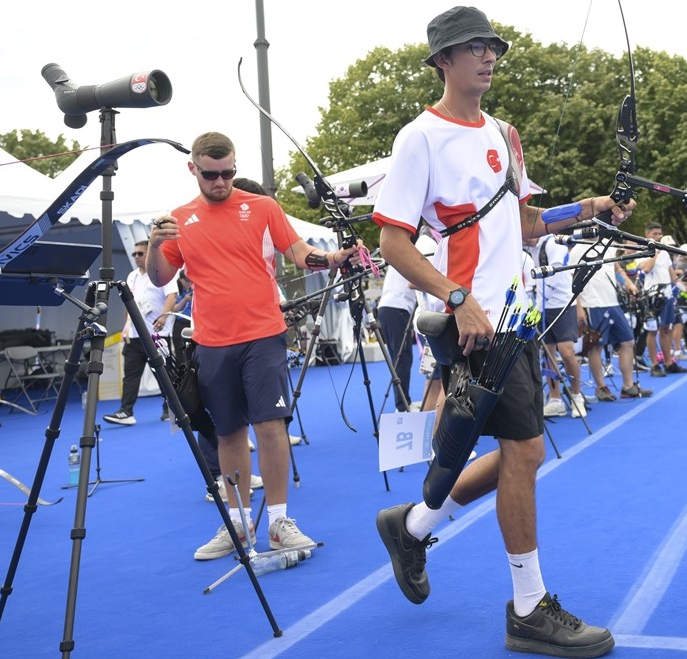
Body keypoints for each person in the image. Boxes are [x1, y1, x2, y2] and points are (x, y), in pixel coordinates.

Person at [371, 5, 631, 659]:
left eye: (491, 47)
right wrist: (456, 297)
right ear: (442, 62)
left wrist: (590, 208)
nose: (487, 56)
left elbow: (525, 223)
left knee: (519, 451)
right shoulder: (419, 138)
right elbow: (393, 242)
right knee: (515, 451)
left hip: (515, 318)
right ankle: (527, 607)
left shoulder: (507, 135)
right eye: (472, 48)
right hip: (473, 326)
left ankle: (415, 524)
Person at [145, 132, 359, 560]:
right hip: (211, 341)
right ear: (194, 169)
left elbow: (299, 253)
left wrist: (332, 258)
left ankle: (279, 521)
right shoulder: (180, 218)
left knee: (271, 425)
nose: (221, 182)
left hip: (263, 333)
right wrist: (153, 244)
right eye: (211, 175)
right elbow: (159, 277)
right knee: (228, 432)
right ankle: (239, 525)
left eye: (229, 173)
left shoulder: (262, 207)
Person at [102, 240, 177, 426]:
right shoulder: (132, 276)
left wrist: (164, 316)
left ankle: (171, 409)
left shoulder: (162, 272)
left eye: (140, 253)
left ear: (149, 253)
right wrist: (125, 327)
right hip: (135, 335)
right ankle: (126, 411)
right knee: (130, 374)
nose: (136, 257)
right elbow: (129, 303)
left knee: (163, 374)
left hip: (156, 334)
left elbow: (172, 296)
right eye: (134, 254)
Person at [571, 242, 651, 400]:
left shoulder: (610, 245)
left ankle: (628, 386)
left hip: (613, 302)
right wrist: (578, 307)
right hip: (592, 304)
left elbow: (616, 268)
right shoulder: (578, 248)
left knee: (628, 342)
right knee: (596, 347)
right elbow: (573, 278)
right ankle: (601, 388)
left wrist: (629, 284)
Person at [378, 231, 438, 412]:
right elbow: (415, 281)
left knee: (401, 358)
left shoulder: (406, 249)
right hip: (398, 308)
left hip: (390, 307)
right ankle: (402, 405)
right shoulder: (419, 248)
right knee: (402, 358)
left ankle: (403, 403)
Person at [530, 233, 586, 418]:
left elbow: (554, 275)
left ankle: (577, 395)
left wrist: (537, 307)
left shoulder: (553, 243)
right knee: (547, 353)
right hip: (542, 305)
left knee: (567, 352)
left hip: (562, 304)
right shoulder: (531, 246)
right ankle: (555, 400)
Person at [639, 223, 687, 376]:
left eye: (659, 234)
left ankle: (668, 362)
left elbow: (673, 277)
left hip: (666, 295)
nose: (658, 237)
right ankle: (654, 365)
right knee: (652, 331)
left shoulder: (666, 254)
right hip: (652, 296)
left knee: (666, 329)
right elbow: (646, 269)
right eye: (654, 234)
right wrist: (655, 252)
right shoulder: (642, 250)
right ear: (647, 234)